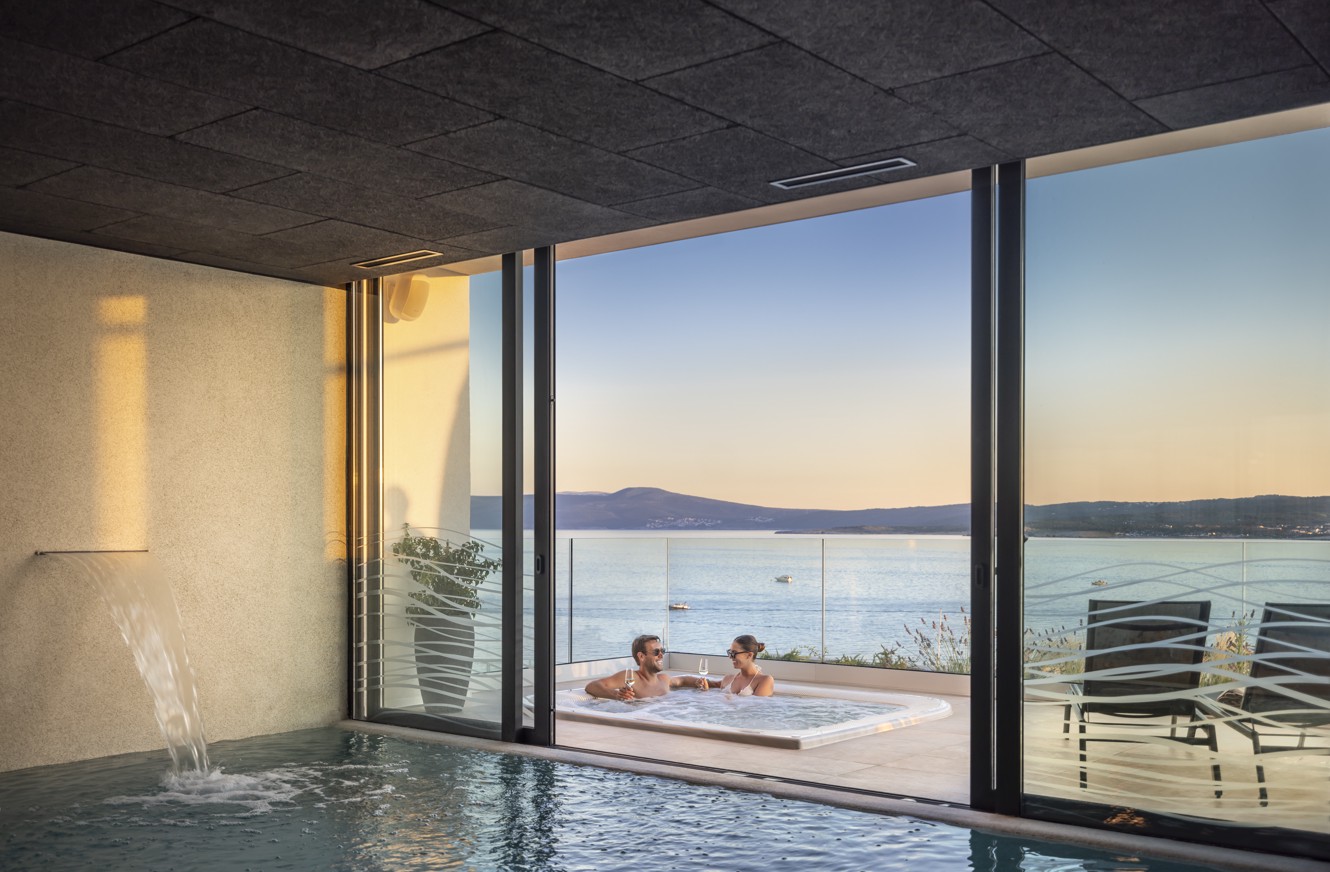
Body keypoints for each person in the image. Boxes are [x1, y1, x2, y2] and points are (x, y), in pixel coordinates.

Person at [584, 634, 707, 700]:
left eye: (662, 651)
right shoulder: (632, 678)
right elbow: (592, 686)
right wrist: (616, 695)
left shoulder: (663, 679)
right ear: (641, 656)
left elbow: (683, 680)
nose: (661, 655)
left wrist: (701, 683)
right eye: (656, 652)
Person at [709, 634, 774, 697]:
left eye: (734, 653)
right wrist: (705, 691)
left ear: (749, 655)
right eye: (730, 652)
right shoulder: (727, 679)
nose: (730, 657)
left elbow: (757, 707)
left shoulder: (765, 680)